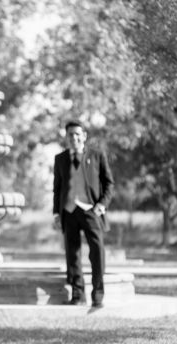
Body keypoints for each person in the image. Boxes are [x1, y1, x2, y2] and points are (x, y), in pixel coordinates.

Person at [53, 121, 114, 308]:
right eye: (70, 134)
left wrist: (101, 205)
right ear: (67, 137)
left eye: (78, 134)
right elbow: (57, 188)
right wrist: (57, 213)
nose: (74, 138)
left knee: (97, 252)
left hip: (91, 211)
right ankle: (78, 295)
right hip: (69, 212)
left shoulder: (97, 155)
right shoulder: (60, 159)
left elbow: (109, 183)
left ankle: (97, 295)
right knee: (72, 255)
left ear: (84, 136)